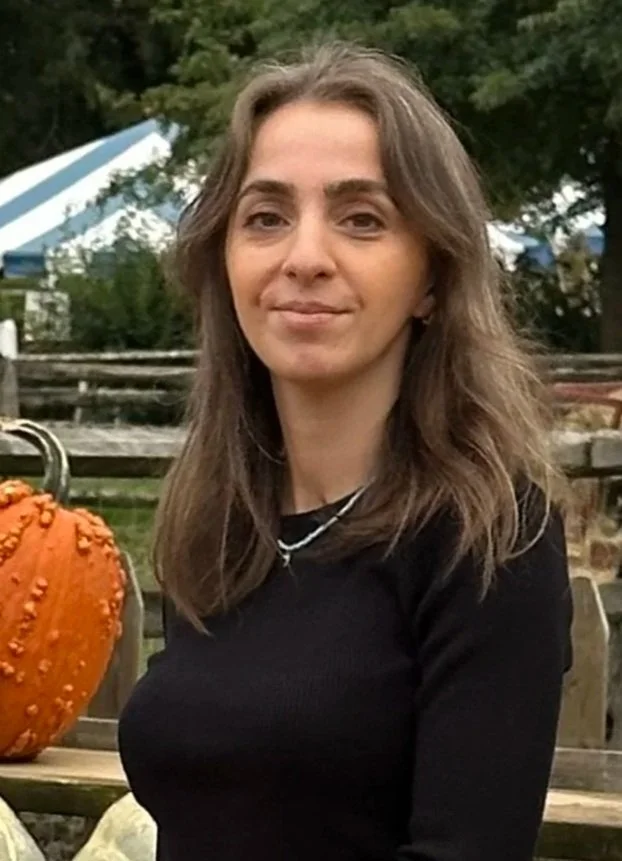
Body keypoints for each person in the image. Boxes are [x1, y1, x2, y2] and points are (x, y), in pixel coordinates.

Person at [118, 41, 573, 861]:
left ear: (432, 277)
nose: (305, 258)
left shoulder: (488, 536)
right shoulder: (222, 521)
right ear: (225, 260)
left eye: (362, 219)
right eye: (266, 217)